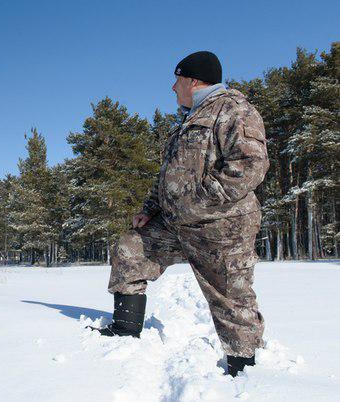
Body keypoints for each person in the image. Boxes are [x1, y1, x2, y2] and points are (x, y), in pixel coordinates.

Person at [90, 51, 270, 377]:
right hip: (176, 224)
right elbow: (169, 176)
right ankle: (126, 332)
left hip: (221, 225)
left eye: (177, 80)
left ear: (193, 80)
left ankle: (245, 372)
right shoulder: (189, 119)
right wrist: (150, 209)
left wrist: (199, 202)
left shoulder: (233, 109)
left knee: (231, 296)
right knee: (131, 248)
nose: (173, 88)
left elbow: (249, 166)